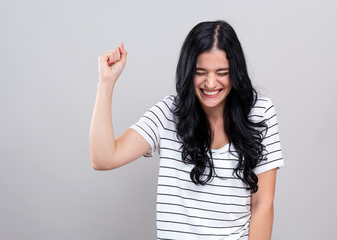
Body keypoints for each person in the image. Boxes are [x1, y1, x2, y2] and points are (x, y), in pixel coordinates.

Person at [90, 20, 284, 240]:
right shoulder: (168, 114)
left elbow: (263, 203)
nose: (211, 83)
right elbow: (103, 158)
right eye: (200, 72)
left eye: (222, 72)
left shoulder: (259, 112)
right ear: (187, 71)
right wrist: (106, 82)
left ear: (236, 72)